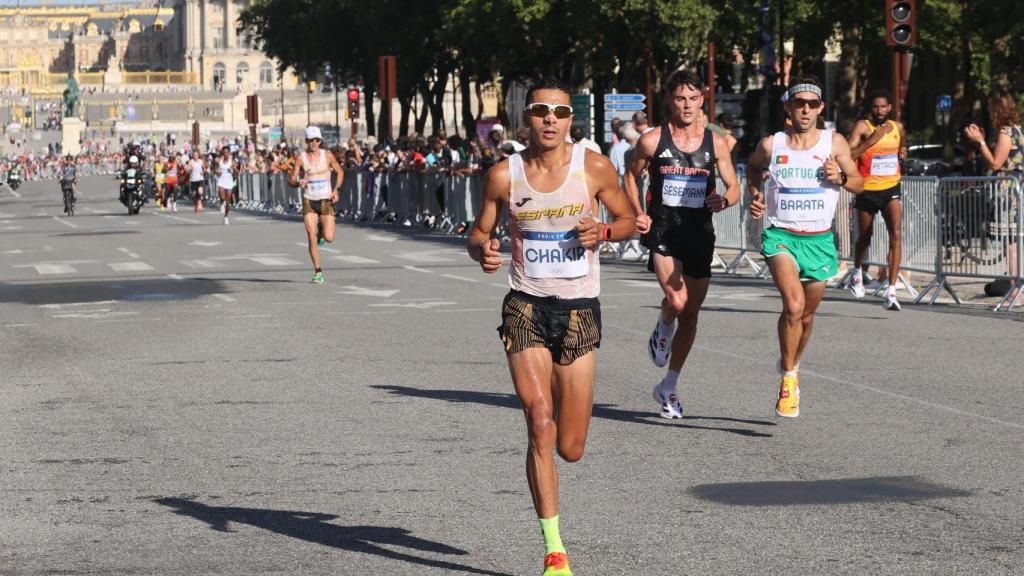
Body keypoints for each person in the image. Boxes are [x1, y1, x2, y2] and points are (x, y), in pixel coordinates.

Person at [466, 79, 635, 576]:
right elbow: (479, 232)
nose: (550, 119)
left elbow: (628, 219)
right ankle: (554, 550)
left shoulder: (593, 167)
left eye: (559, 112)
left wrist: (604, 230)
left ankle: (561, 444)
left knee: (571, 447)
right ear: (528, 118)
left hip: (579, 310)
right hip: (526, 306)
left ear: (569, 121)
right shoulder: (505, 174)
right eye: (541, 110)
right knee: (539, 421)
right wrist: (482, 252)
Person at [623, 69, 741, 419]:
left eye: (693, 98)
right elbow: (630, 176)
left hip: (699, 232)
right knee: (677, 299)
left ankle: (669, 385)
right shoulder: (652, 140)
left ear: (702, 99)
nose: (687, 105)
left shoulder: (716, 143)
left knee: (690, 314)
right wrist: (638, 213)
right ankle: (664, 324)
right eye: (679, 98)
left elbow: (733, 185)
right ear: (669, 101)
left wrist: (725, 200)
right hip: (663, 230)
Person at [746, 74, 864, 417]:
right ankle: (787, 381)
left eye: (812, 104)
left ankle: (793, 366)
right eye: (799, 103)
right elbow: (752, 170)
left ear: (820, 108)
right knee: (794, 306)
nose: (806, 110)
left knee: (807, 316)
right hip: (781, 236)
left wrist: (840, 178)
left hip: (819, 240)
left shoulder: (834, 143)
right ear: (788, 106)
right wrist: (756, 194)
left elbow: (859, 183)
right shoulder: (772, 144)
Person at [847, 89, 908, 310]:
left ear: (889, 108)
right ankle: (857, 272)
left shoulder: (897, 126)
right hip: (867, 189)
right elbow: (848, 155)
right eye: (875, 106)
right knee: (865, 237)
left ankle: (891, 291)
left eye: (883, 107)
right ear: (870, 108)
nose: (879, 110)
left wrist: (903, 152)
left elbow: (902, 144)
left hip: (891, 186)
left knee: (896, 233)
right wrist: (872, 140)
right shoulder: (862, 127)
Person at [964, 88, 1024, 306]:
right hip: (1015, 189)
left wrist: (980, 142)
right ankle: (1018, 289)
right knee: (1014, 242)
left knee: (1011, 244)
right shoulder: (1017, 130)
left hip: (1008, 192)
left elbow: (996, 163)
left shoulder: (1005, 132)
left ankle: (1017, 290)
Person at [290, 126, 344, 284]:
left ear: (320, 141)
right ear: (306, 141)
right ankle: (318, 271)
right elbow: (291, 179)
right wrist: (298, 182)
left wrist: (336, 190)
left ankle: (321, 232)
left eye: (317, 140)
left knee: (329, 237)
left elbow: (340, 172)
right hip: (309, 200)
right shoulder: (301, 158)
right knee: (311, 235)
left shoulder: (327, 156)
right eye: (311, 140)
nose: (314, 143)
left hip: (325, 200)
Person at [215, 147, 237, 225]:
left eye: (227, 152)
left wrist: (234, 169)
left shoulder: (232, 162)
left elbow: (236, 172)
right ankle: (222, 203)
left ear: (229, 153)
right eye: (224, 152)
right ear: (222, 153)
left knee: (228, 202)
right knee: (222, 196)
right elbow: (215, 170)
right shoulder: (219, 161)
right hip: (221, 181)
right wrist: (217, 172)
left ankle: (226, 217)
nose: (226, 153)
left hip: (229, 182)